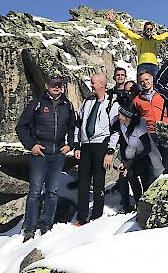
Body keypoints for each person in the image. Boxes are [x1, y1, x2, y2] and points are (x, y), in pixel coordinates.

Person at [16, 75, 75, 241]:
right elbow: (21, 127)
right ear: (46, 85)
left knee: (52, 191)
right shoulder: (37, 103)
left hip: (58, 154)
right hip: (40, 154)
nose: (56, 87)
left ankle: (46, 225)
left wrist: (70, 144)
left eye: (59, 84)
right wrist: (31, 145)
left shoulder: (67, 105)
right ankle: (30, 228)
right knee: (35, 192)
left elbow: (72, 127)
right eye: (53, 84)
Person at [73, 73, 120, 225]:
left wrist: (110, 151)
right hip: (86, 146)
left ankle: (96, 216)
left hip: (101, 145)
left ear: (101, 84)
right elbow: (78, 125)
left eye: (93, 83)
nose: (91, 85)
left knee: (99, 182)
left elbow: (115, 130)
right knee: (83, 183)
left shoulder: (112, 104)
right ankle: (81, 217)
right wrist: (77, 145)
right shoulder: (87, 102)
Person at [106, 9, 168, 77]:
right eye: (147, 29)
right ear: (144, 30)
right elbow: (125, 31)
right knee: (140, 87)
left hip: (154, 66)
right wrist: (115, 21)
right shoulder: (139, 40)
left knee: (155, 86)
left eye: (150, 29)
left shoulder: (156, 39)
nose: (149, 30)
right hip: (142, 65)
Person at [113, 104, 152, 213]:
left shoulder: (139, 126)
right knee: (129, 176)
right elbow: (123, 143)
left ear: (127, 116)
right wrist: (124, 161)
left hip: (143, 157)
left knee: (145, 181)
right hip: (132, 156)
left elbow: (147, 148)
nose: (118, 116)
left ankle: (146, 204)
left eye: (120, 114)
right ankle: (137, 202)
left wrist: (131, 162)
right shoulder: (122, 125)